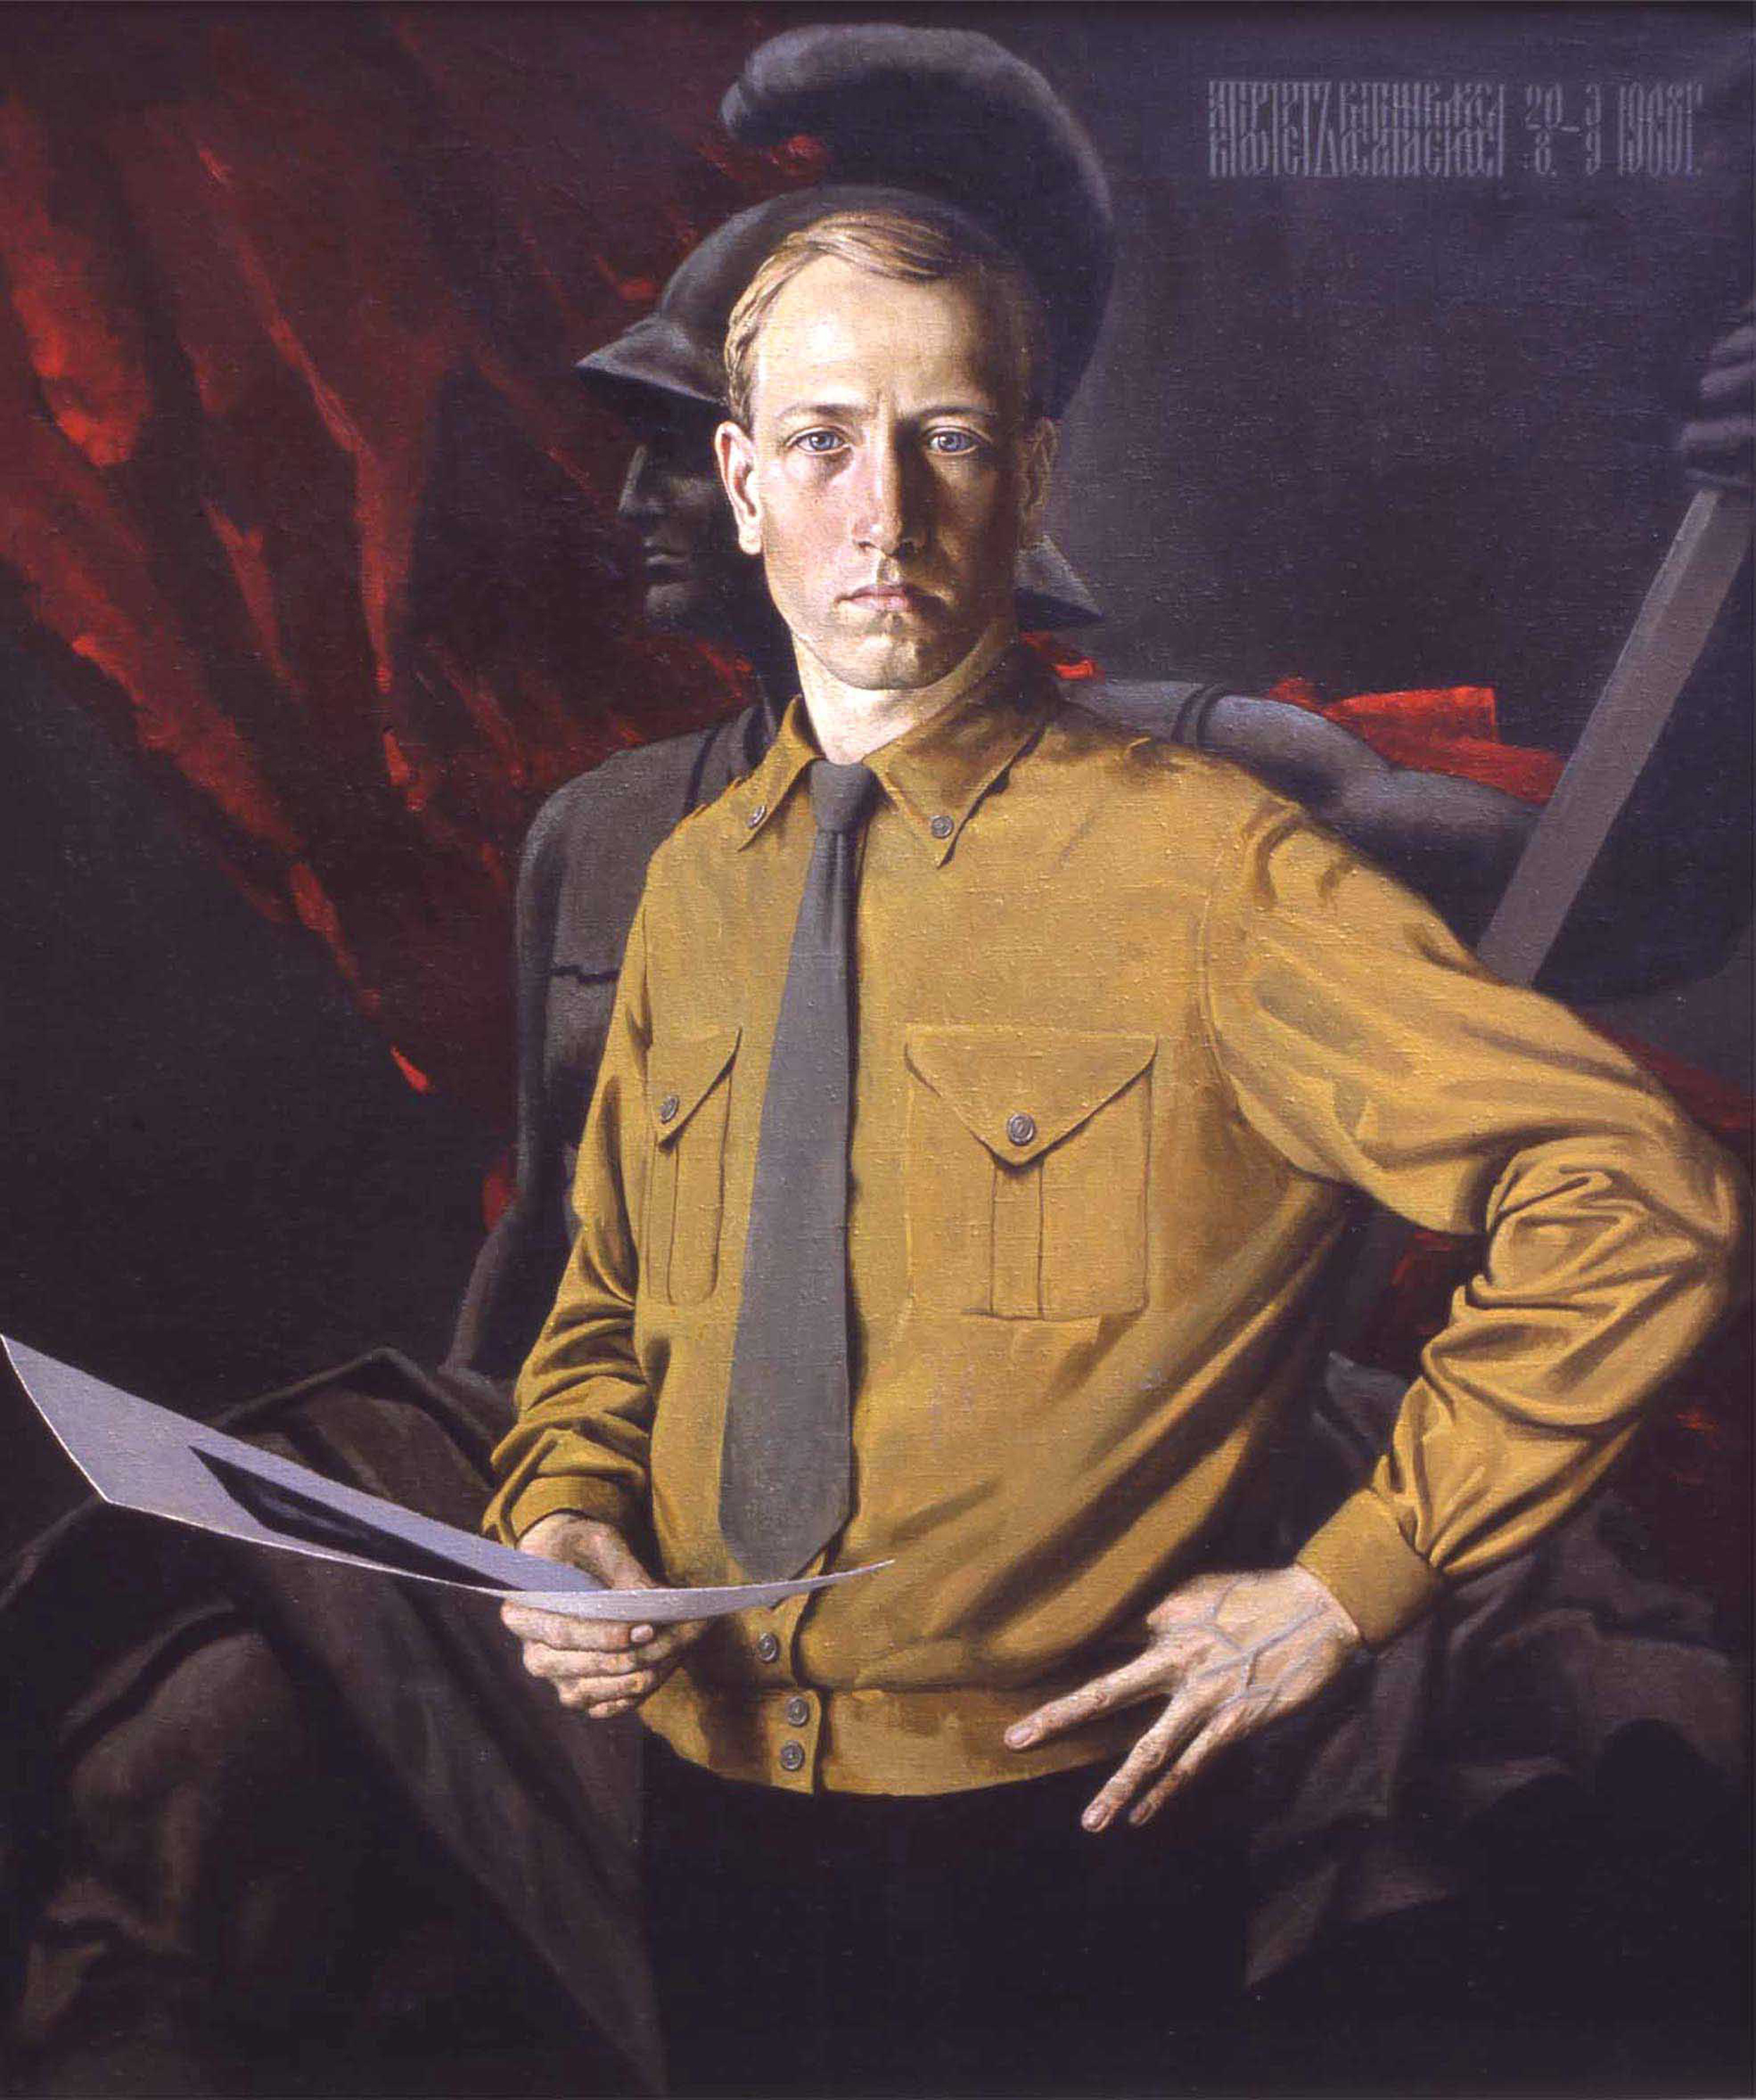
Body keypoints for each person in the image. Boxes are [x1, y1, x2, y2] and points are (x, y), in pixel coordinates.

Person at [490, 204, 1745, 2096]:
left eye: (948, 438)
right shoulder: (690, 887)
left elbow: (1637, 1191)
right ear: (743, 486)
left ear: (1034, 479)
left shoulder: (1212, 873)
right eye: (822, 443)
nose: (883, 514)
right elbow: (608, 1305)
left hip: (1062, 1840)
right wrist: (567, 1512)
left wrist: (1347, 1586)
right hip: (712, 1811)